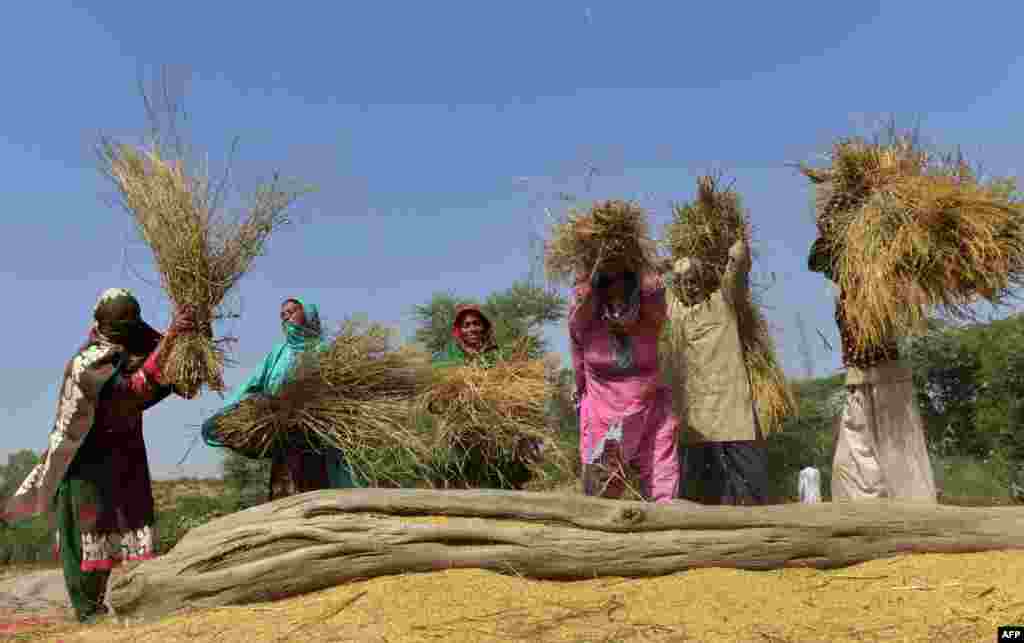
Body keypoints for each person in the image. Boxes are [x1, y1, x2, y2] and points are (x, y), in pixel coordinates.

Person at [1, 288, 194, 623]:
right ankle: (87, 610)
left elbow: (163, 373)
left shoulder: (125, 348)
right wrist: (173, 337)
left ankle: (96, 606)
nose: (135, 329)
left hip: (119, 456)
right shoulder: (87, 362)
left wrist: (190, 339)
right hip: (82, 460)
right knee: (86, 530)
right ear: (112, 326)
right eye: (127, 323)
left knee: (108, 528)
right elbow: (133, 390)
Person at [809, 238, 937, 502]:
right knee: (850, 465)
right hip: (859, 380)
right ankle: (862, 519)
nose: (828, 273)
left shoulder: (877, 286)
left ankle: (915, 517)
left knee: (898, 454)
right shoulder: (844, 295)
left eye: (830, 265)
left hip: (886, 379)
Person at [202, 298, 359, 500]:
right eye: (283, 315)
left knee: (315, 493)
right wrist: (227, 412)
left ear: (308, 315)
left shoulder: (324, 351)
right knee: (283, 493)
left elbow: (340, 391)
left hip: (314, 437)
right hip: (282, 433)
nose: (286, 317)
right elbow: (251, 384)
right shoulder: (279, 353)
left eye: (292, 311)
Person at [669, 238, 770, 506]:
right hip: (696, 426)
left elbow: (736, 270)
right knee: (699, 504)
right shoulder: (674, 313)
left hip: (733, 418)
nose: (687, 287)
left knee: (749, 501)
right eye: (680, 281)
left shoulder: (723, 302)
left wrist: (738, 251)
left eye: (692, 280)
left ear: (704, 280)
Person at [570, 263, 680, 503]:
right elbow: (582, 296)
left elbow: (653, 287)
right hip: (602, 413)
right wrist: (592, 263)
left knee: (663, 490)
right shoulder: (586, 321)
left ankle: (667, 534)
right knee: (602, 493)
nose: (616, 288)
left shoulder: (650, 315)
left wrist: (634, 256)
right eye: (608, 282)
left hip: (648, 408)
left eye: (623, 280)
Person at [429, 304, 537, 489]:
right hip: (461, 432)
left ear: (484, 327)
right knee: (462, 478)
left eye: (476, 323)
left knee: (504, 476)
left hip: (496, 431)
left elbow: (517, 391)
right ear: (459, 330)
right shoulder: (445, 358)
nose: (472, 329)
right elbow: (432, 400)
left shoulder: (498, 356)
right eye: (466, 325)